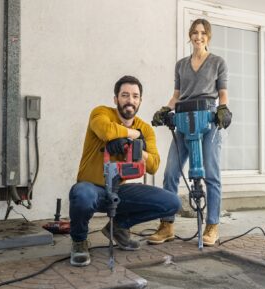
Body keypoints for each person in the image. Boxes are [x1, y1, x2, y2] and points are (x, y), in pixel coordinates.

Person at [69, 75, 181, 267]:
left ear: (140, 101)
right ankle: (79, 241)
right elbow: (106, 131)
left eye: (135, 96)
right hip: (92, 188)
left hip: (118, 190)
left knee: (172, 202)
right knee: (82, 194)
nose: (130, 100)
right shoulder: (101, 113)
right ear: (116, 99)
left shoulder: (146, 128)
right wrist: (134, 134)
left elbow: (154, 165)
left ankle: (119, 227)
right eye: (125, 95)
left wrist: (136, 148)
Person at [150, 18, 232, 246]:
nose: (198, 36)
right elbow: (176, 95)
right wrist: (165, 110)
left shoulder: (218, 62)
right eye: (195, 32)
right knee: (170, 173)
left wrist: (223, 109)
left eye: (203, 32)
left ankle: (212, 226)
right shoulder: (181, 65)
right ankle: (166, 225)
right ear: (190, 35)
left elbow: (222, 93)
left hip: (207, 120)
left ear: (208, 36)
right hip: (183, 120)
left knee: (211, 175)